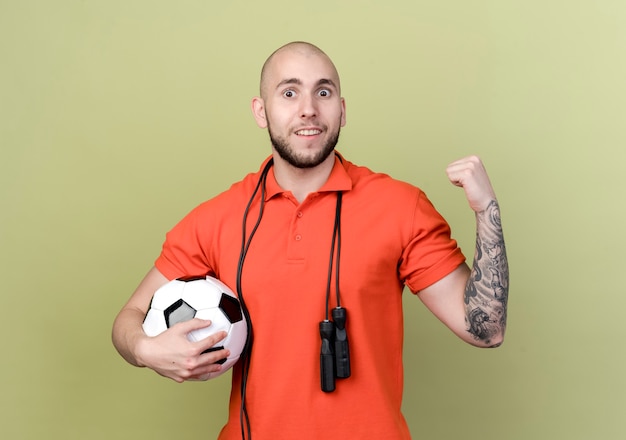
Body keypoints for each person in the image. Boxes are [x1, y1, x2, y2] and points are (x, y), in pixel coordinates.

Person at [112, 41, 509, 440]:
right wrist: (146, 350)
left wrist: (485, 211)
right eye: (289, 92)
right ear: (260, 111)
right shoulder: (215, 219)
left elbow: (486, 330)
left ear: (342, 109)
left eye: (324, 92)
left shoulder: (401, 207)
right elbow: (128, 319)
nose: (309, 109)